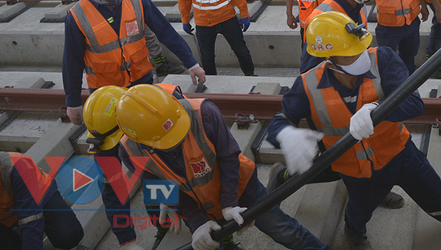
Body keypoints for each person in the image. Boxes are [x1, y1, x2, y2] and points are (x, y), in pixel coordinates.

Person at [268, 12, 441, 250]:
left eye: (360, 47)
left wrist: (376, 108)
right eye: (352, 52)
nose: (362, 54)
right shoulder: (307, 86)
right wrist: (285, 135)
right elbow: (279, 122)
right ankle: (355, 233)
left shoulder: (382, 59)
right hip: (355, 169)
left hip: (399, 154)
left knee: (437, 195)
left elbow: (414, 103)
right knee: (360, 209)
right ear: (330, 58)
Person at [116, 84, 329, 250]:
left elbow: (229, 159)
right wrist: (196, 221)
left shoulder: (203, 113)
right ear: (140, 139)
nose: (177, 142)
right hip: (198, 205)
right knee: (213, 241)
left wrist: (229, 203)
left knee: (283, 229)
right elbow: (160, 188)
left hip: (241, 188)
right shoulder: (129, 150)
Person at [62, 0, 205, 125]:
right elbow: (71, 62)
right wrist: (73, 102)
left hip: (142, 81)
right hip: (106, 92)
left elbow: (165, 32)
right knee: (118, 138)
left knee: (149, 129)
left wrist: (191, 63)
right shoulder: (77, 16)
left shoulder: (136, 0)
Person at [83, 84, 186, 250]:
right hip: (146, 144)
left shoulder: (165, 106)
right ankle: (163, 228)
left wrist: (174, 199)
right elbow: (113, 190)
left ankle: (224, 238)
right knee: (150, 186)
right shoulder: (102, 137)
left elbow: (186, 157)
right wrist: (127, 241)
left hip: (185, 153)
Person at [0, 152, 84, 250]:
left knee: (67, 236)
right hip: (2, 214)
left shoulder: (17, 166)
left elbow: (30, 220)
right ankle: (16, 237)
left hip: (40, 197)